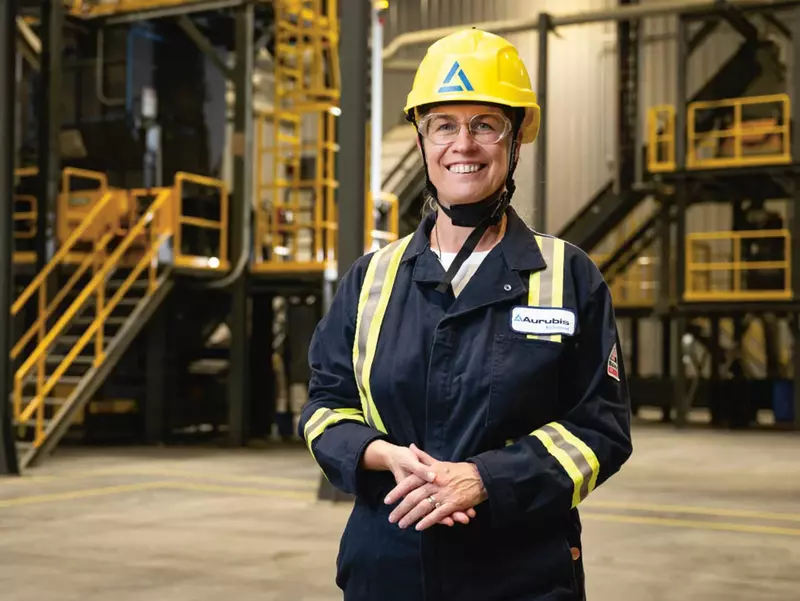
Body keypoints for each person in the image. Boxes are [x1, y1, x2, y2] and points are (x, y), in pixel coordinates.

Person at [299, 28, 633, 601]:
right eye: (444, 125)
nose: (464, 144)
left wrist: (484, 480)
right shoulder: (372, 277)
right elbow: (324, 406)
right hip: (388, 565)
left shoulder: (567, 275)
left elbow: (599, 430)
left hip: (520, 573)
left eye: (485, 124)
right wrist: (383, 455)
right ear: (423, 139)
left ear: (514, 141)